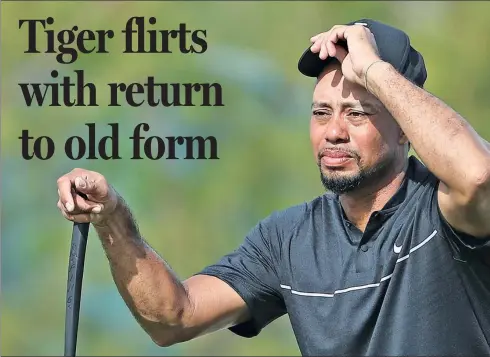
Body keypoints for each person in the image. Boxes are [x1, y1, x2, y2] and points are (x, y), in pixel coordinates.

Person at [56, 19, 490, 356]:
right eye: (321, 113)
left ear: (403, 130)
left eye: (357, 114)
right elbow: (174, 316)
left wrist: (374, 69)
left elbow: (477, 175)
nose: (333, 132)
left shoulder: (443, 208)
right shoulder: (290, 238)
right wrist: (111, 218)